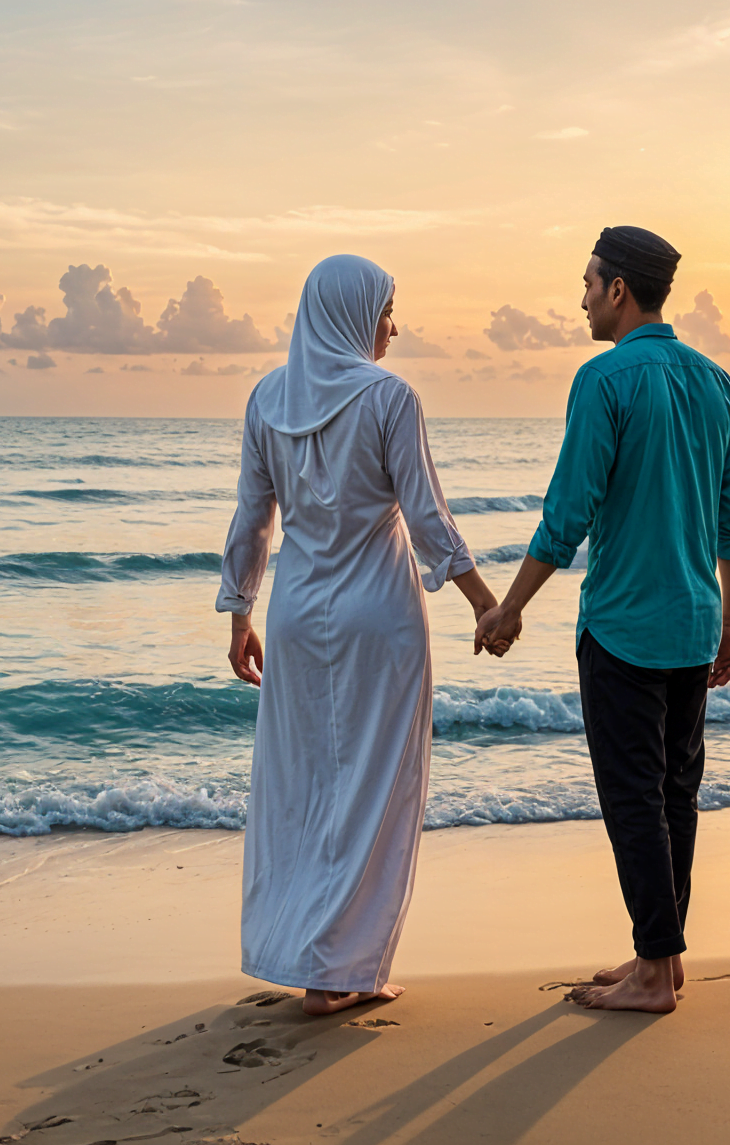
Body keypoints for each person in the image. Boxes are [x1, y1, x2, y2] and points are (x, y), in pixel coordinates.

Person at [218, 253, 508, 1016]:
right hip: (378, 615)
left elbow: (254, 518)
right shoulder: (389, 398)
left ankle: (305, 951)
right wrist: (483, 601)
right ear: (351, 314)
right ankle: (344, 969)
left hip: (296, 617)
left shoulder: (267, 398)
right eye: (386, 311)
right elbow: (428, 518)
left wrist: (241, 610)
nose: (394, 326)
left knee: (304, 786)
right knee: (378, 786)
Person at [476, 226, 730, 1015]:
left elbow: (568, 513)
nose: (583, 298)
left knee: (634, 798)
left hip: (625, 628)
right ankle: (659, 959)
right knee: (674, 795)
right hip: (696, 624)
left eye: (590, 282)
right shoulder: (718, 383)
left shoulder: (604, 380)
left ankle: (653, 972)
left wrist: (509, 609)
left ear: (619, 290)